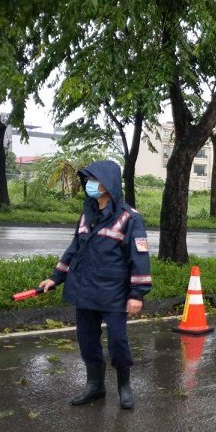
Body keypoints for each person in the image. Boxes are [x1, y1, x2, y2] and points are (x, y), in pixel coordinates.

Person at [38, 160, 152, 410]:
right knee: (87, 339)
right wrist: (55, 277)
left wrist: (137, 294)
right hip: (84, 290)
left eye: (94, 180)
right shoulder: (87, 213)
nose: (90, 184)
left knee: (117, 342)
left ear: (108, 184)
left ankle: (124, 386)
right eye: (88, 179)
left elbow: (139, 257)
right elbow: (74, 249)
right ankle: (95, 386)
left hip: (114, 293)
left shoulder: (130, 218)